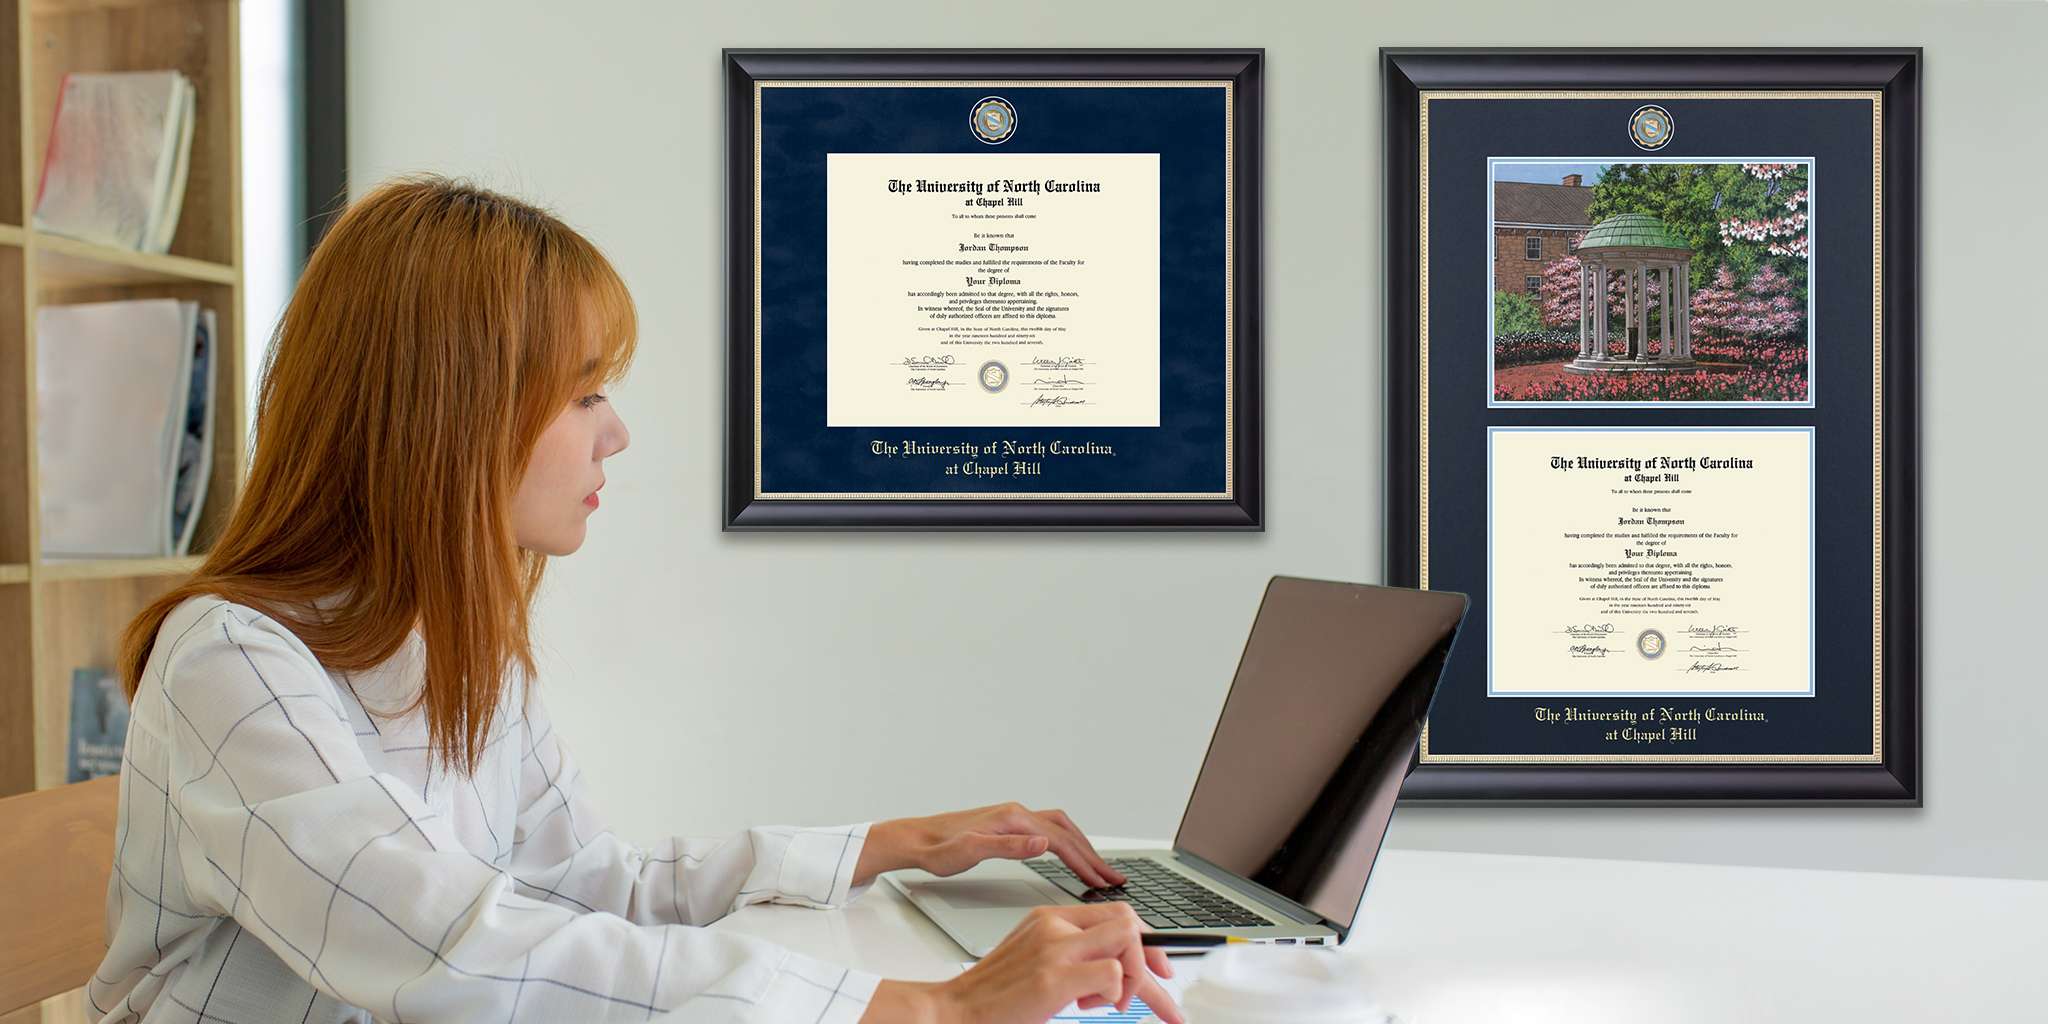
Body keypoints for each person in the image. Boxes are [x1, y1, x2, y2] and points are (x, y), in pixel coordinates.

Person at [89, 176, 1181, 1024]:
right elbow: (447, 951)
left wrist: (886, 844)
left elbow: (579, 884)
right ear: (454, 414)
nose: (616, 434)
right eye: (584, 393)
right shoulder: (232, 661)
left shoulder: (456, 646)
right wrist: (922, 1005)